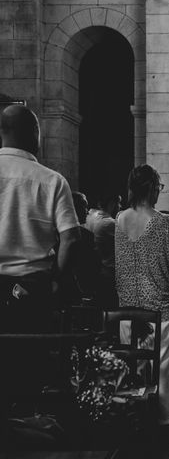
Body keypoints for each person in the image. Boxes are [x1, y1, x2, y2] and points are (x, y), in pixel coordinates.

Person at [115, 164, 169, 439]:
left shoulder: (120, 219)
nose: (160, 191)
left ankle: (132, 421)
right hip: (160, 304)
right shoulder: (164, 223)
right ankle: (164, 421)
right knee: (161, 366)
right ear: (151, 187)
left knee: (132, 364)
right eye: (159, 186)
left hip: (127, 304)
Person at [0, 104, 80, 333]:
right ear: (35, 132)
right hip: (31, 290)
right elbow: (71, 239)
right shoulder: (52, 181)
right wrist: (57, 281)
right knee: (31, 361)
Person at [85, 190, 121, 309]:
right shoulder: (108, 223)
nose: (120, 207)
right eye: (118, 203)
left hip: (95, 271)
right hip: (110, 273)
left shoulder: (91, 218)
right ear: (112, 204)